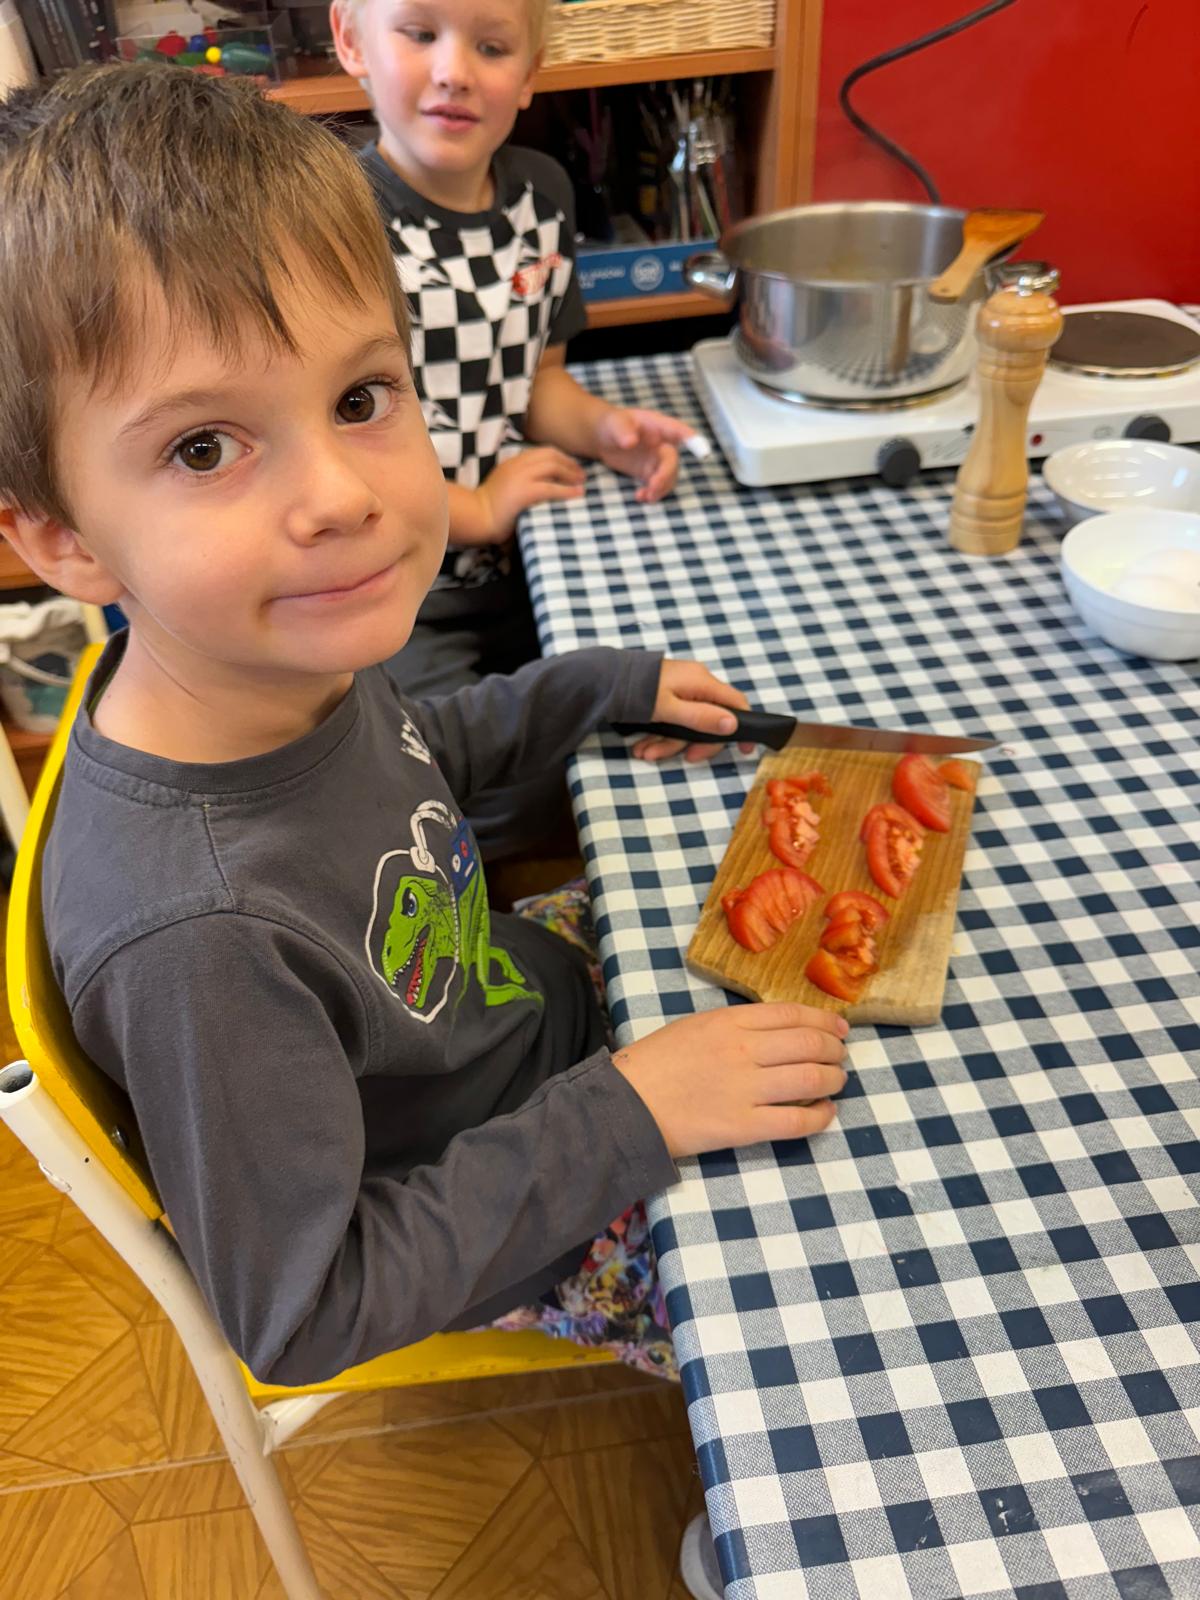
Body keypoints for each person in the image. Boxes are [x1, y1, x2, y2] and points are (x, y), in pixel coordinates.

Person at [0, 66, 847, 1600]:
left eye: (359, 398)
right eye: (204, 448)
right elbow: (305, 1309)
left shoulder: (267, 661)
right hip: (514, 1204)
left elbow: (412, 763)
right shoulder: (197, 938)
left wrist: (589, 690)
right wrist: (633, 1113)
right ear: (61, 540)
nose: (341, 494)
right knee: (847, 1290)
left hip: (526, 1022)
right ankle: (774, 1535)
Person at [332, 0, 702, 857]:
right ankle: (502, 901)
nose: (455, 71)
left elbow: (538, 382)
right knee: (483, 789)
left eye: (492, 46)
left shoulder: (543, 193)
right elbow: (332, 450)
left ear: (531, 73)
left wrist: (604, 429)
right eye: (419, 34)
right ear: (351, 40)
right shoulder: (333, 223)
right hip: (399, 592)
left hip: (522, 568)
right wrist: (479, 507)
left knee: (632, 722)